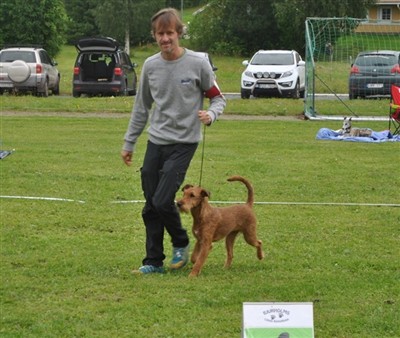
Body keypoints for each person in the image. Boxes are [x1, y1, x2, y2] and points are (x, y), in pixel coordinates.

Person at [121, 8, 226, 274]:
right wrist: (129, 142)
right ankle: (153, 262)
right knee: (151, 204)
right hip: (157, 140)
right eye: (160, 34)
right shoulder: (151, 66)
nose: (165, 38)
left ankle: (180, 242)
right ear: (155, 36)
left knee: (163, 198)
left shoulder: (198, 63)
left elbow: (218, 97)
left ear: (178, 33)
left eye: (170, 33)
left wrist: (211, 114)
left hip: (185, 142)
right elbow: (141, 107)